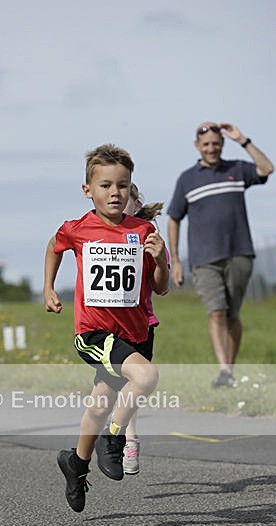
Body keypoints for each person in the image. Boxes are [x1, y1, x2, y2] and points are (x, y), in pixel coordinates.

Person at [44, 144, 169, 512]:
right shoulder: (78, 229)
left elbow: (160, 288)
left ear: (130, 189)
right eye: (106, 185)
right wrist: (49, 287)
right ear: (88, 190)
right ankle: (113, 439)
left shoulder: (143, 230)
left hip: (134, 334)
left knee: (100, 405)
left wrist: (161, 260)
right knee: (146, 377)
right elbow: (54, 246)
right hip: (94, 333)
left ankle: (76, 463)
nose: (115, 192)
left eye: (122, 185)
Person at [167, 122, 274, 388]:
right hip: (204, 260)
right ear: (197, 146)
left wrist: (243, 140)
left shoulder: (236, 170)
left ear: (222, 144)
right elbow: (173, 218)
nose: (211, 148)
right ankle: (224, 370)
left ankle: (229, 371)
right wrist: (175, 261)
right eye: (206, 145)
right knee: (216, 312)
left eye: (216, 144)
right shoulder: (187, 179)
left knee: (232, 315)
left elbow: (267, 169)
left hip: (239, 254)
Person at [121, 184, 168, 475]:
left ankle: (129, 439)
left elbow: (161, 286)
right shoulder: (96, 232)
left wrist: (160, 259)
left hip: (142, 323)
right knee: (109, 384)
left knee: (135, 384)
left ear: (137, 204)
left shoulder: (148, 235)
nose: (116, 199)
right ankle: (118, 435)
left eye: (125, 196)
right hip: (106, 325)